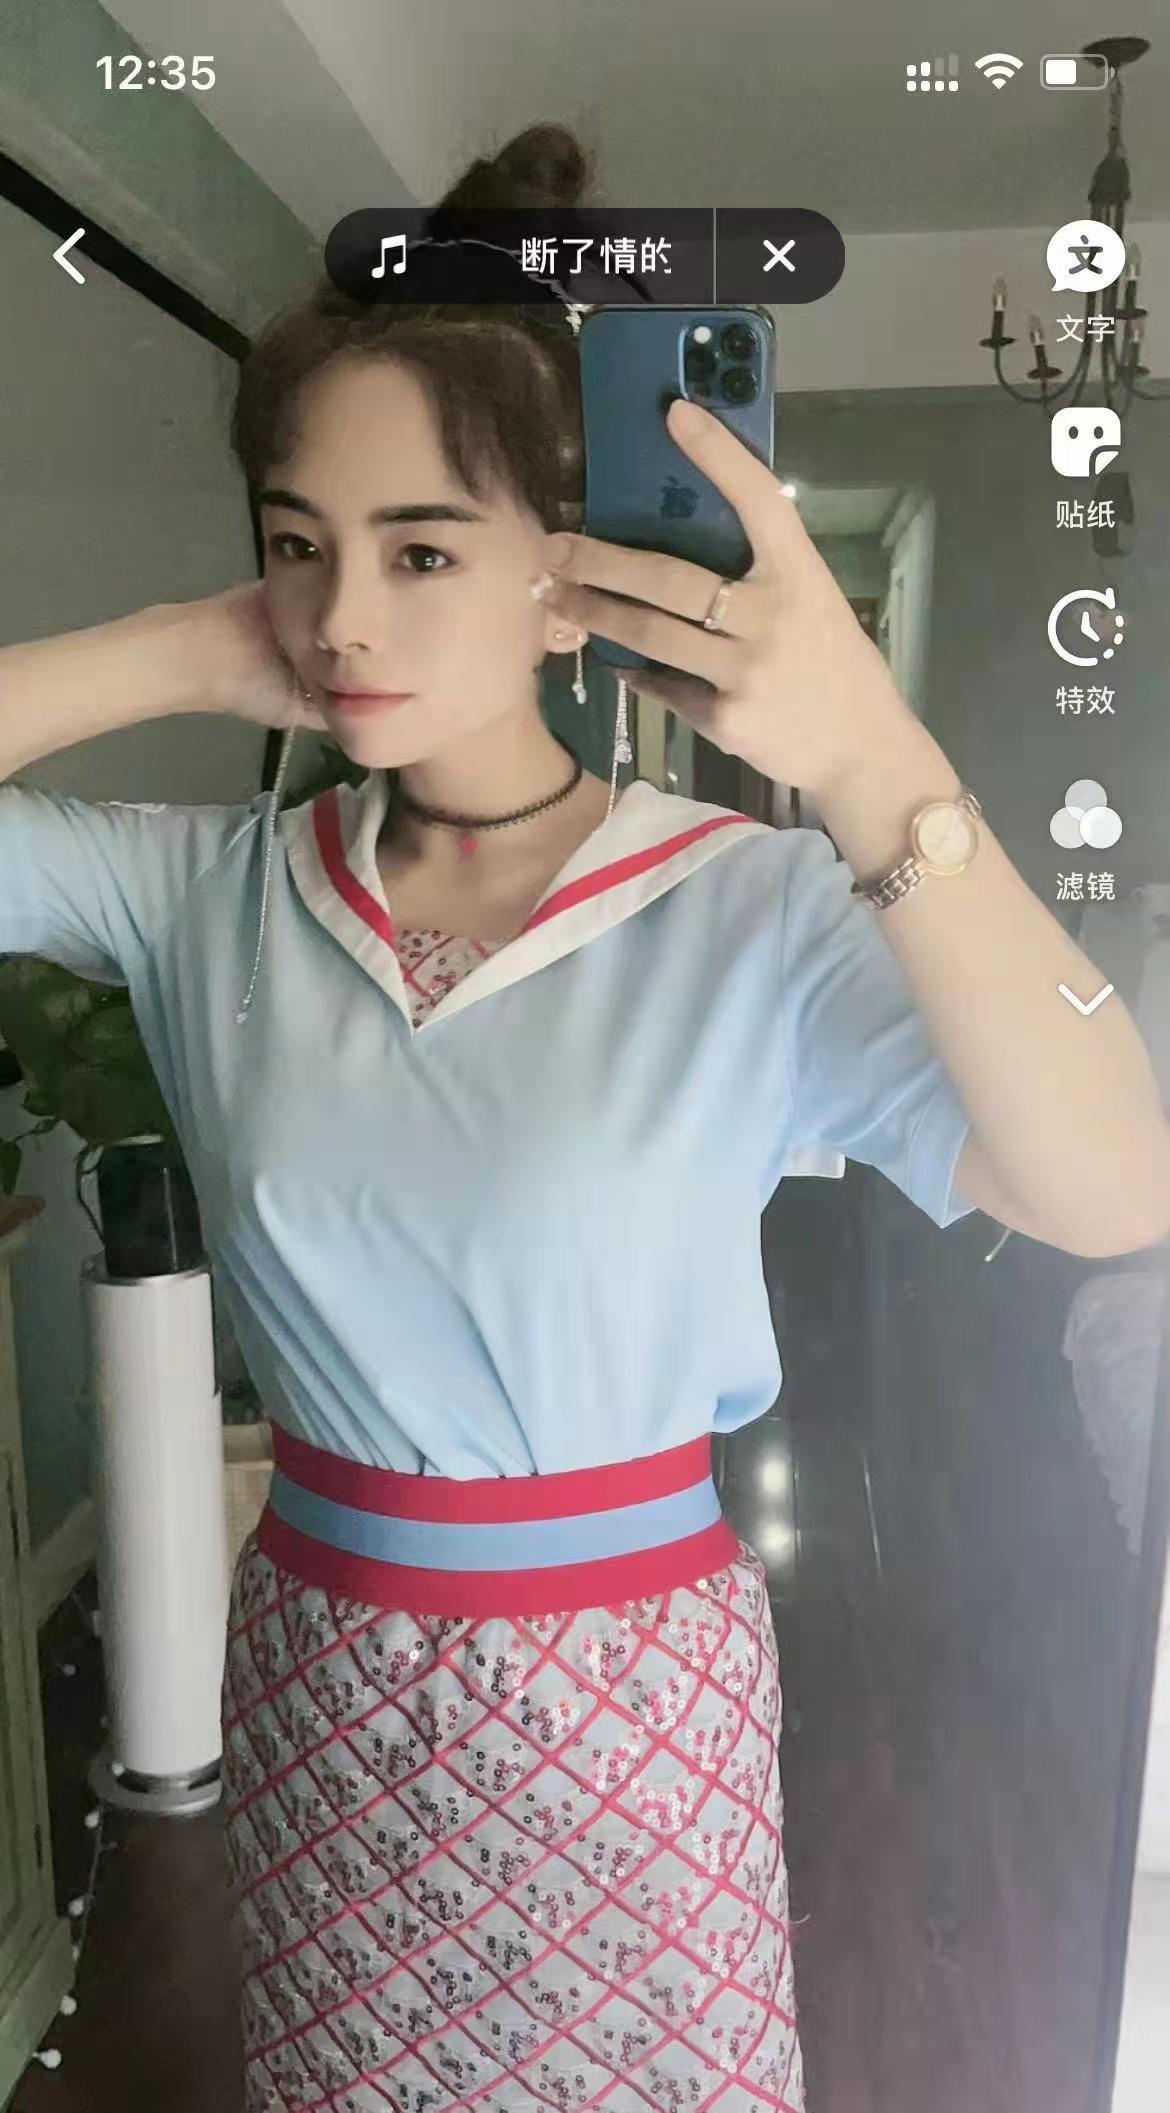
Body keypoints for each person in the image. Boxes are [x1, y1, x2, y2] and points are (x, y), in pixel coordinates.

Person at [2, 120, 1168, 2113]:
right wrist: (197, 645)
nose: (344, 616)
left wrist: (872, 756)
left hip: (632, 1691)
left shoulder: (745, 909)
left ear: (575, 573)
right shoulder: (207, 896)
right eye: (300, 540)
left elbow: (1114, 1183)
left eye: (422, 548)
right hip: (324, 1672)